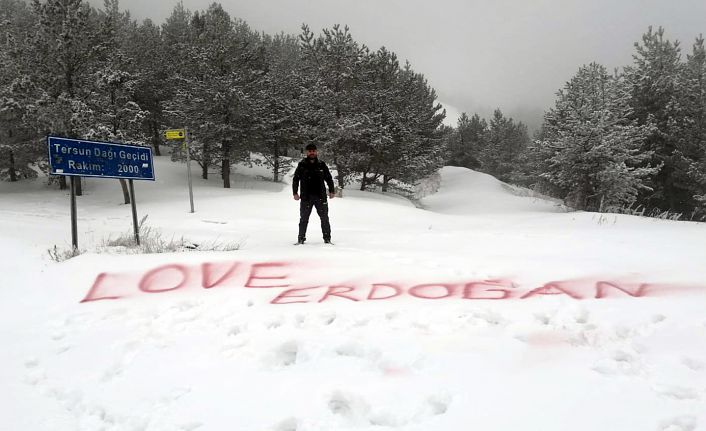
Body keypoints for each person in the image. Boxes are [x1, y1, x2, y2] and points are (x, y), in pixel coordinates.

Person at [292, 143, 335, 244]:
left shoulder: (321, 164)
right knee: (304, 219)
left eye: (313, 151)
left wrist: (332, 190)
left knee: (324, 218)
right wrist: (295, 192)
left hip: (321, 196)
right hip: (306, 197)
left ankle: (327, 239)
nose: (312, 152)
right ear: (307, 152)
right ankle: (301, 239)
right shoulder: (302, 165)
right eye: (310, 151)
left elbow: (328, 178)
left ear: (316, 152)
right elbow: (296, 179)